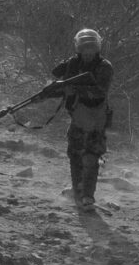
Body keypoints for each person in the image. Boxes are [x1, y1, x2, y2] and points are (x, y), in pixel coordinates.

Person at [38, 27, 114, 213]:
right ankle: (78, 191)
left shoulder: (104, 67)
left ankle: (87, 196)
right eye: (84, 49)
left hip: (96, 118)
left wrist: (73, 90)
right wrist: (47, 93)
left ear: (97, 49)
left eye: (91, 49)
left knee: (91, 156)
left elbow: (99, 91)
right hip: (78, 118)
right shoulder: (73, 64)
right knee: (74, 155)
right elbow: (58, 78)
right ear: (78, 49)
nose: (88, 53)